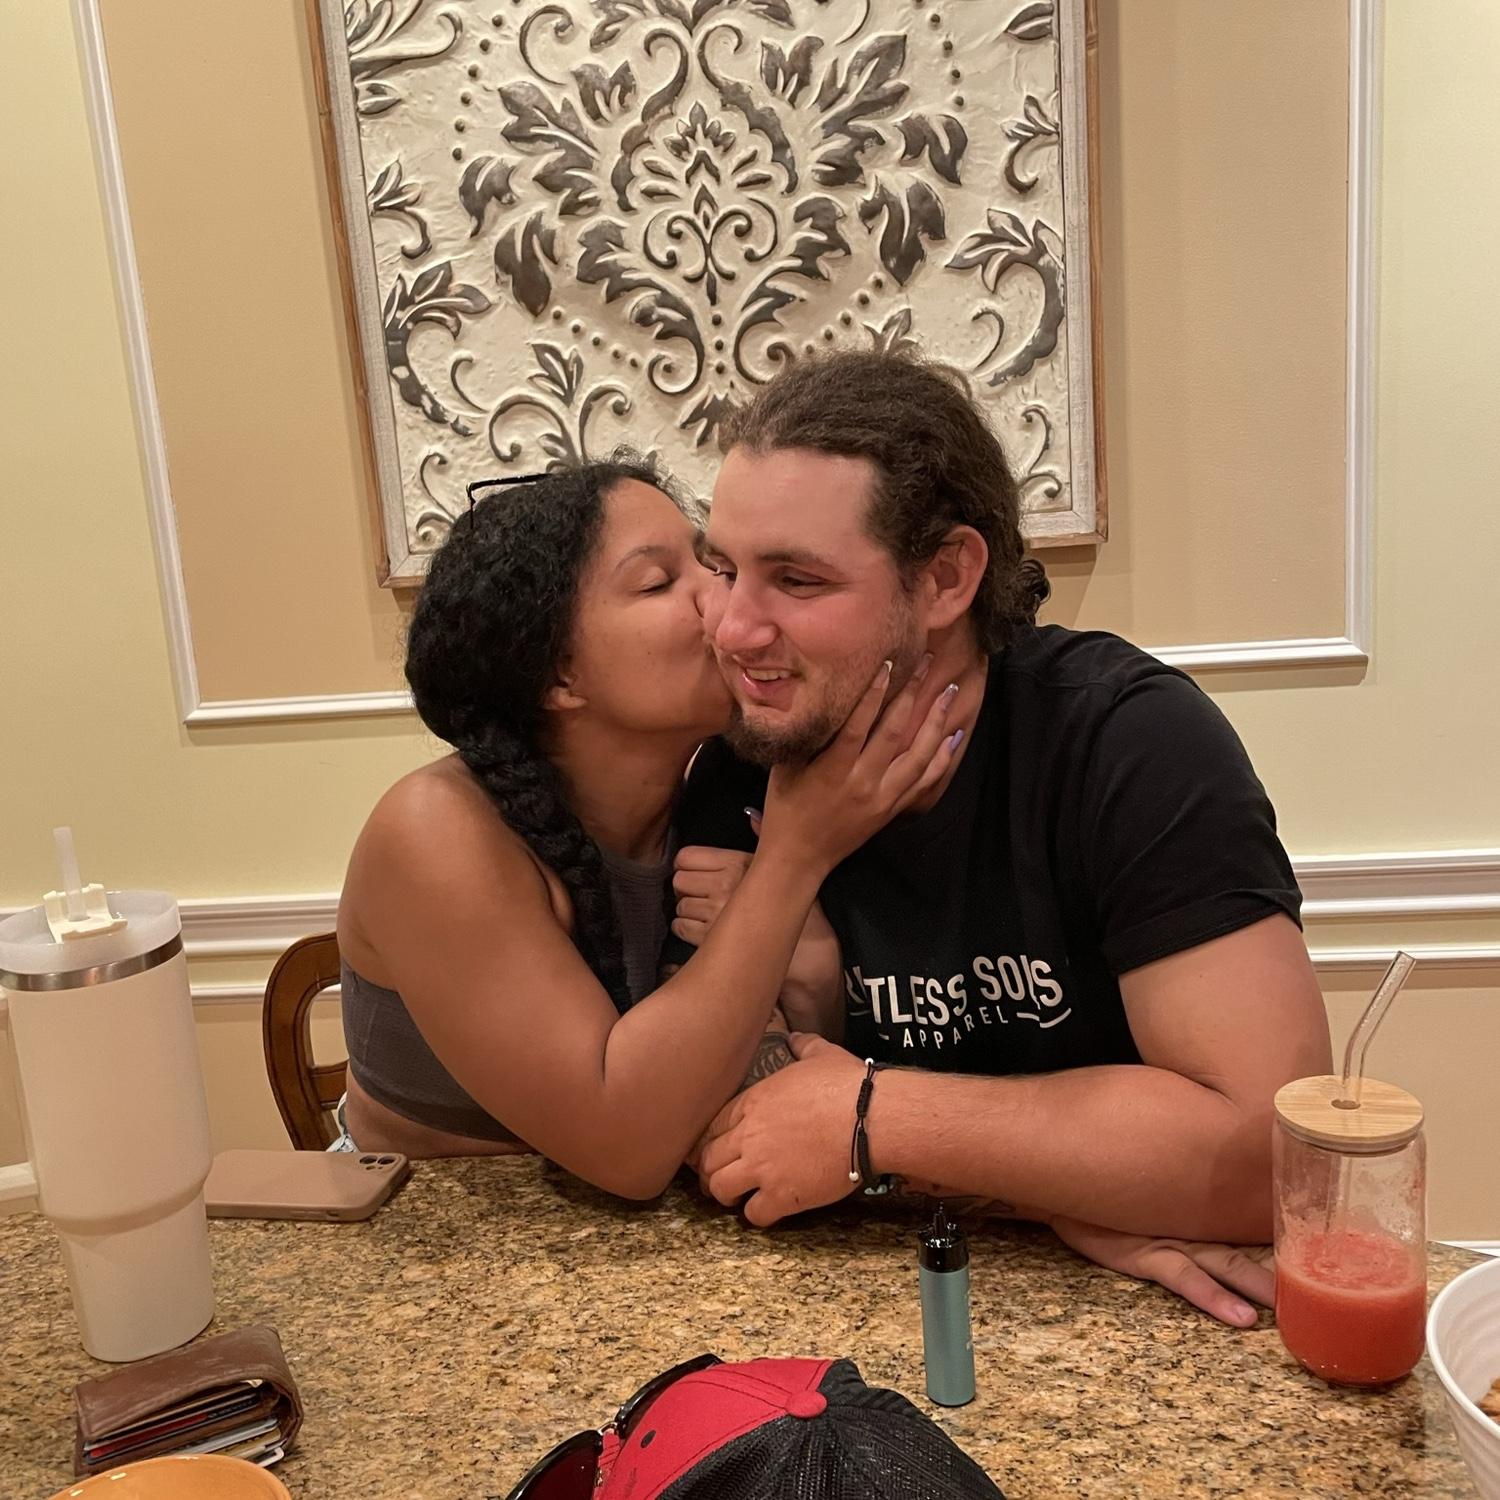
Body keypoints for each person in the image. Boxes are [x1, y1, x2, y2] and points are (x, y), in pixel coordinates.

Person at [666, 352, 1335, 1325]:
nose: (732, 630)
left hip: (1124, 1327)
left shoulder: (1128, 741)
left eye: (797, 580)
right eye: (724, 569)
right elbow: (730, 1137)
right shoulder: (748, 753)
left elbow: (1271, 1157)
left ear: (946, 577)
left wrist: (870, 1116)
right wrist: (1073, 1187)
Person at [334, 457, 958, 1198]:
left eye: (711, 564)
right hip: (426, 1233)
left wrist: (816, 974)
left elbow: (769, 1099)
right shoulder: (433, 831)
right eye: (659, 583)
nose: (726, 600)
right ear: (558, 675)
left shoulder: (729, 784)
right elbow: (624, 1148)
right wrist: (794, 858)